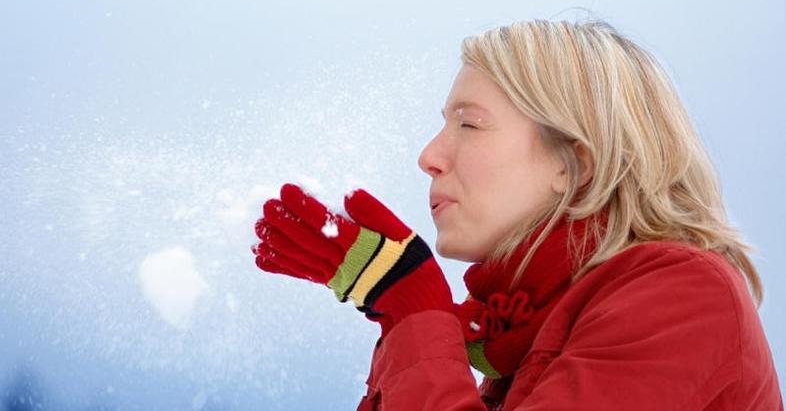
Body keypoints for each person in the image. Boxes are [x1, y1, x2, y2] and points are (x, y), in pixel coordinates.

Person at [251, 20, 783, 410]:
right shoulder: (516, 349)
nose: (429, 156)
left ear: (573, 164)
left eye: (469, 125)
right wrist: (404, 321)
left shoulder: (683, 297)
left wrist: (416, 313)